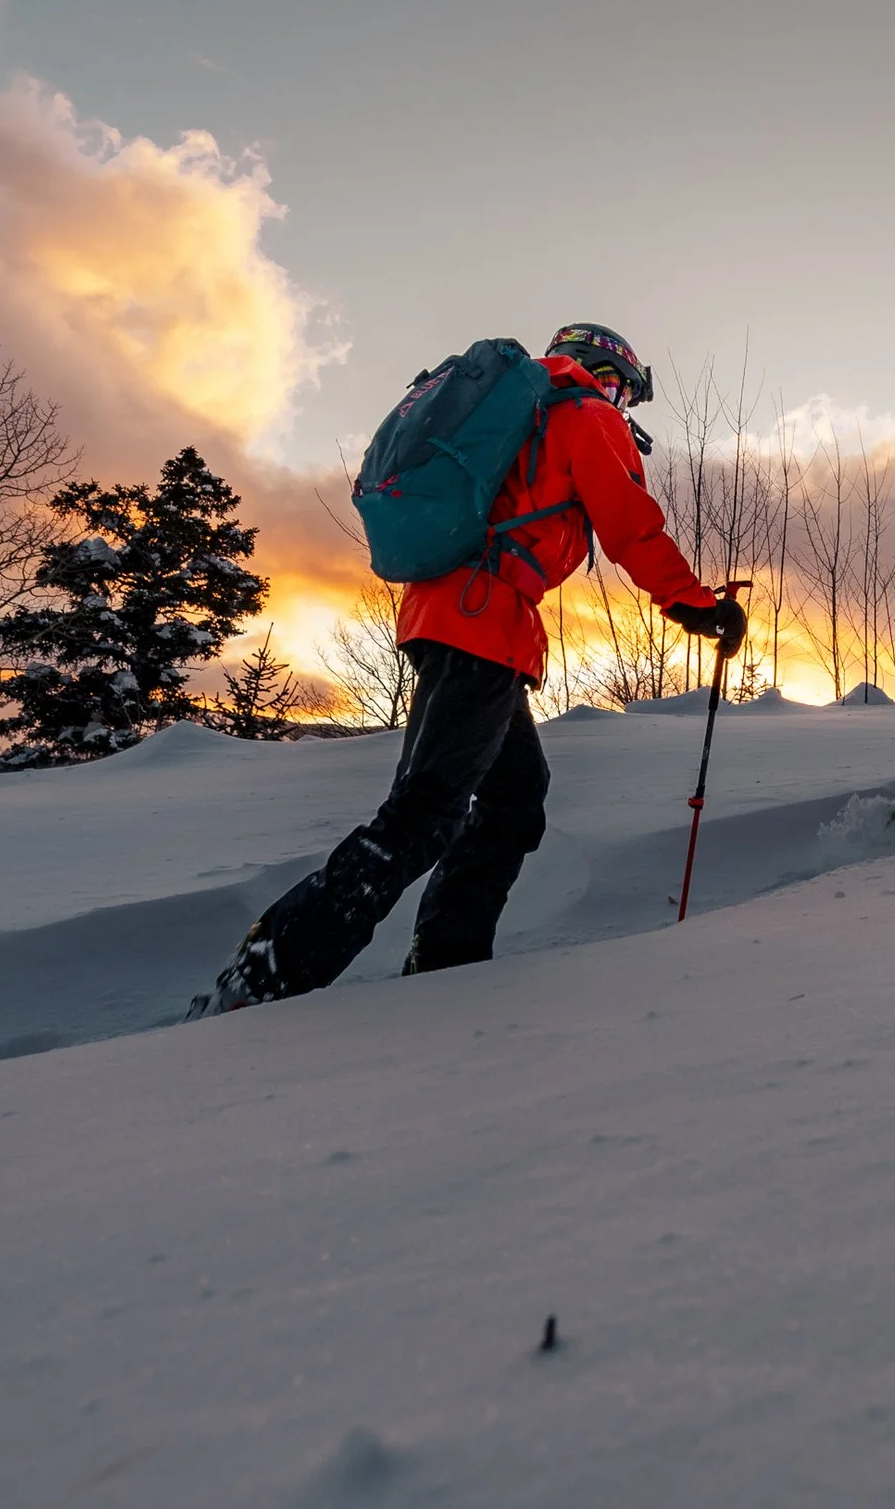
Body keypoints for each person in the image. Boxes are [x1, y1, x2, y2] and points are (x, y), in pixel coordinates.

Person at [198, 322, 744, 1012]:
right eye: (621, 389)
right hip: (483, 618)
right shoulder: (582, 414)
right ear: (601, 373)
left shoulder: (521, 414)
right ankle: (272, 969)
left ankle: (447, 962)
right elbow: (630, 525)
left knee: (514, 799)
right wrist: (696, 605)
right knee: (425, 812)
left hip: (447, 614)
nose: (621, 406)